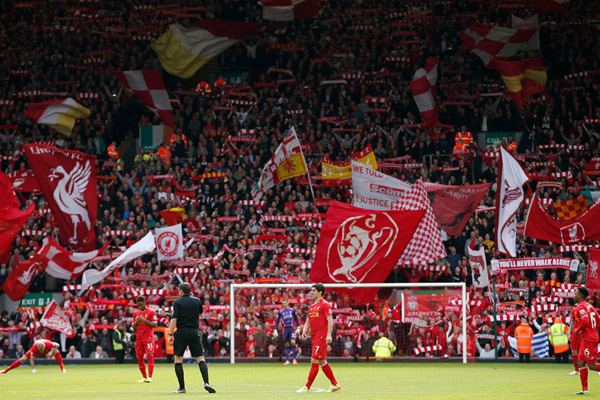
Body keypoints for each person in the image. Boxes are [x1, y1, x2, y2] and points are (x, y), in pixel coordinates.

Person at [168, 282, 216, 394]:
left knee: (178, 359)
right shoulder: (197, 300)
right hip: (194, 332)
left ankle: (182, 388)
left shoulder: (177, 302)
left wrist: (170, 334)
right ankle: (206, 383)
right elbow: (200, 313)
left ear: (181, 291)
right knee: (200, 358)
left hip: (181, 332)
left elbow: (174, 319)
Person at [296, 283, 340, 393]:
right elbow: (307, 321)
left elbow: (330, 320)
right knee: (322, 361)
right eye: (311, 290)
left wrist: (329, 335)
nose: (311, 292)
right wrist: (305, 332)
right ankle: (335, 384)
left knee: (314, 360)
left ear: (320, 292)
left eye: (314, 290)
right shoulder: (311, 307)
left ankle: (307, 387)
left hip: (322, 337)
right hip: (314, 337)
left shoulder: (325, 305)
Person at [572, 287, 600, 395]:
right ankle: (585, 390)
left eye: (575, 293)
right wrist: (593, 329)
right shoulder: (590, 306)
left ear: (580, 296)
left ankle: (585, 389)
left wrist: (577, 330)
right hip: (588, 337)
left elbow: (585, 320)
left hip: (589, 338)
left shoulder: (581, 307)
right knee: (580, 362)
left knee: (592, 366)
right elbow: (598, 319)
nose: (574, 295)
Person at [0, 339, 65, 374]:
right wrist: (33, 369)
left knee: (56, 351)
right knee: (22, 359)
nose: (42, 352)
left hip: (48, 350)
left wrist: (51, 351)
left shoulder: (49, 344)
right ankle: (5, 370)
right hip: (37, 350)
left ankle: (62, 368)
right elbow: (31, 358)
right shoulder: (34, 348)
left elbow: (57, 345)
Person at [133, 295, 158, 383]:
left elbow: (155, 325)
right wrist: (136, 321)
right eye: (138, 305)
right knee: (139, 357)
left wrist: (144, 320)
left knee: (150, 355)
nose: (139, 307)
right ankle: (144, 377)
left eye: (141, 305)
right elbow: (133, 326)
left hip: (148, 337)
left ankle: (150, 377)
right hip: (139, 338)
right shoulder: (136, 313)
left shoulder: (152, 312)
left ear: (144, 303)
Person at [276, 298, 300, 365]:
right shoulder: (280, 311)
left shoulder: (292, 310)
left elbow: (296, 319)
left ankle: (294, 359)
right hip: (285, 329)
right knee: (286, 344)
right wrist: (275, 329)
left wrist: (298, 327)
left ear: (288, 303)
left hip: (292, 328)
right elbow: (277, 321)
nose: (284, 304)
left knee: (293, 342)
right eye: (283, 303)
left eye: (285, 303)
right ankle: (287, 360)